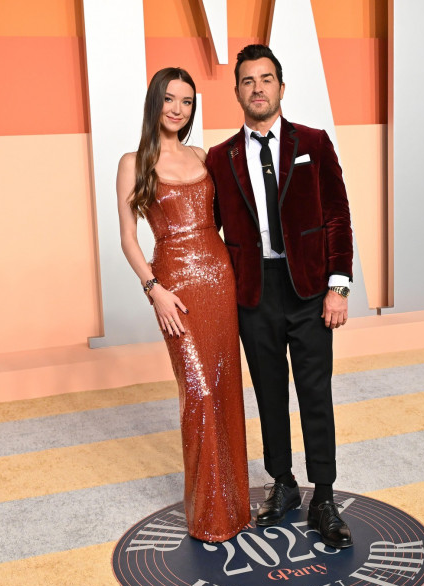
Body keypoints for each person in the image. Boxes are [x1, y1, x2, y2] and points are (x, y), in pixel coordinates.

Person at [206, 45, 353, 549]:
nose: (258, 89)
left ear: (281, 88)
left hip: (310, 289)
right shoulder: (219, 158)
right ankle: (284, 484)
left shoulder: (313, 142)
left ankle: (325, 495)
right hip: (254, 293)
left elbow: (337, 216)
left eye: (266, 79)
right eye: (248, 81)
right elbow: (209, 232)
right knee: (269, 394)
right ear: (238, 92)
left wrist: (338, 285)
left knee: (316, 394)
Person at [117, 67, 250, 542]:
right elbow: (128, 238)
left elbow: (226, 219)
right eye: (170, 99)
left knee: (226, 386)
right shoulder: (133, 162)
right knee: (199, 392)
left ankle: (235, 506)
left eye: (187, 102)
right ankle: (209, 515)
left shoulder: (201, 155)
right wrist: (153, 289)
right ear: (155, 102)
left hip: (219, 278)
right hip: (173, 285)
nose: (178, 109)